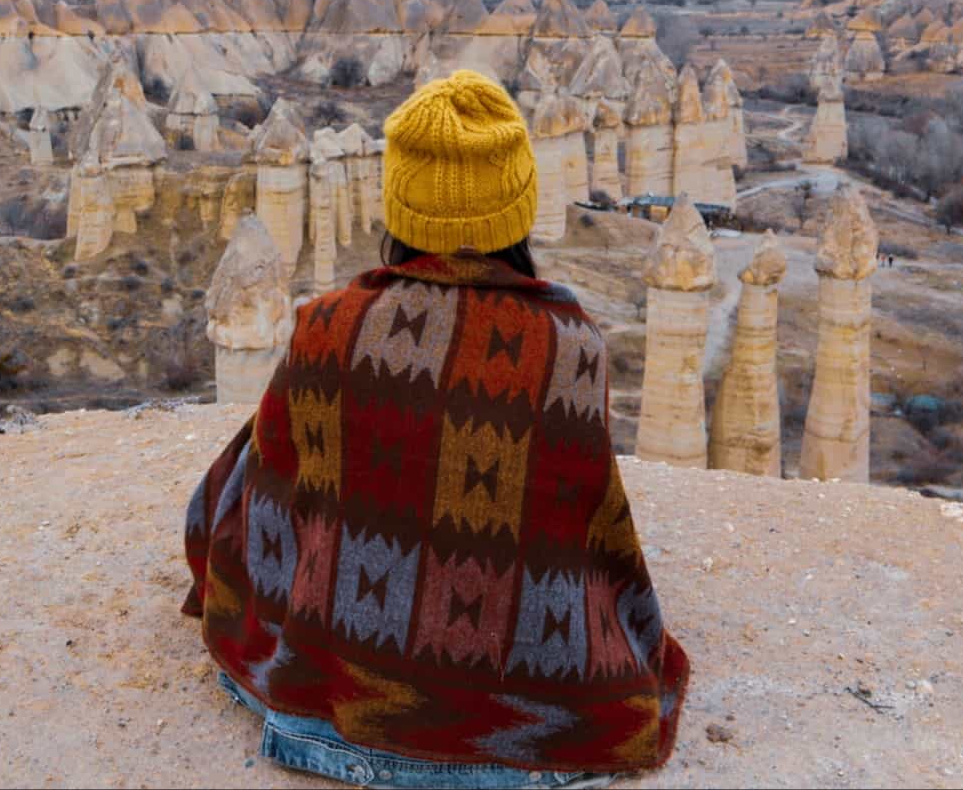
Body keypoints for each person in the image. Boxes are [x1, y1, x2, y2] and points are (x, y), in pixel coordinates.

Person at [184, 70, 689, 788]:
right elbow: (582, 528)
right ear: (516, 207)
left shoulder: (326, 325)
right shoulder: (568, 346)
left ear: (399, 206)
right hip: (520, 752)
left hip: (313, 717)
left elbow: (262, 488)